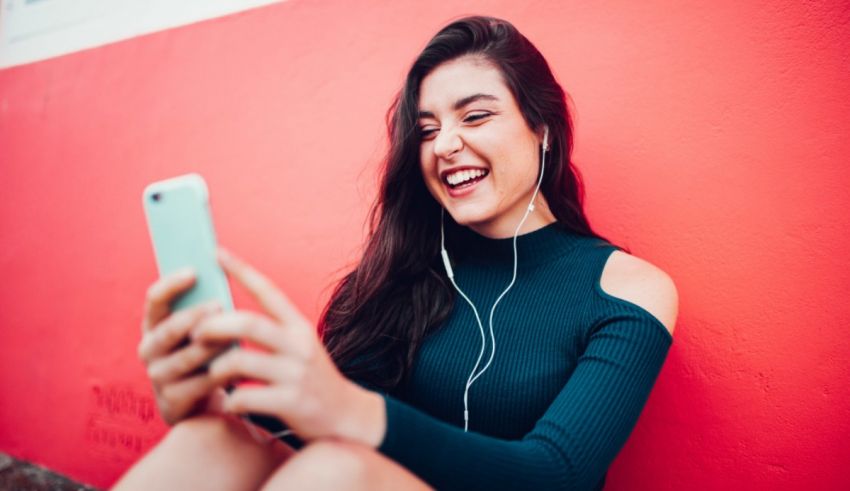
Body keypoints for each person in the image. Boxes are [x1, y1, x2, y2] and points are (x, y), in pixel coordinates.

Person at [113, 15, 677, 491]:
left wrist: (354, 414)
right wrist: (216, 403)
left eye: (475, 116)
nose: (445, 145)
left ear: (543, 128)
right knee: (212, 439)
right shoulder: (398, 274)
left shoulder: (627, 289)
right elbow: (315, 428)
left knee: (340, 468)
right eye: (427, 130)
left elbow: (559, 474)